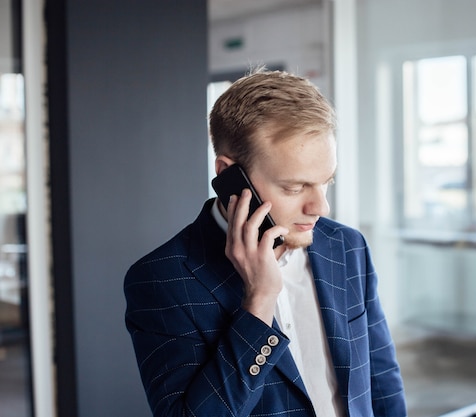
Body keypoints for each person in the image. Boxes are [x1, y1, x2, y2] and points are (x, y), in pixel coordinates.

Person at [124, 69, 407, 417]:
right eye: (294, 187)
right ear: (228, 174)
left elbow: (381, 381)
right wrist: (258, 305)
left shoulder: (346, 247)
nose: (321, 207)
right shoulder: (162, 280)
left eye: (326, 182)